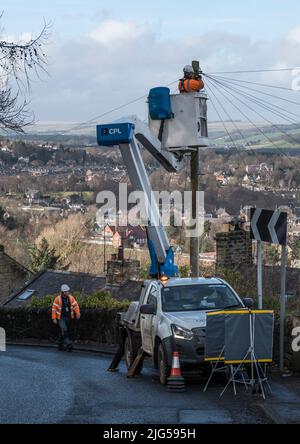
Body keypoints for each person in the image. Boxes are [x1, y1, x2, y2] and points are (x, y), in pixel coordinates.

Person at [52, 284, 80, 351]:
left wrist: (78, 313)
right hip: (61, 318)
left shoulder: (71, 298)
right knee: (64, 330)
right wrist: (54, 318)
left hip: (69, 317)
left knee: (65, 331)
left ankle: (60, 345)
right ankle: (68, 343)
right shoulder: (57, 299)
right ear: (63, 292)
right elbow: (54, 309)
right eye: (67, 291)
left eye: (68, 291)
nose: (68, 292)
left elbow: (75, 306)